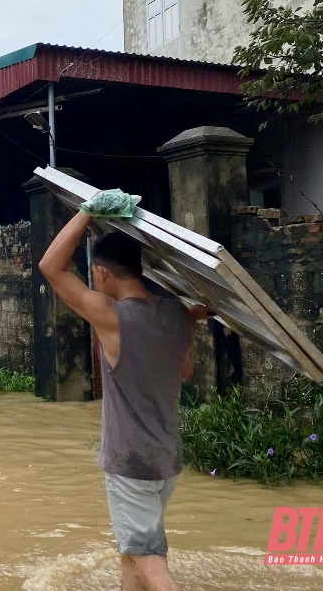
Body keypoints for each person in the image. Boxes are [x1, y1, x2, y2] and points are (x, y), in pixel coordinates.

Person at [39, 211, 194, 591]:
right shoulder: (178, 313)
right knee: (135, 555)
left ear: (103, 273)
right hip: (165, 460)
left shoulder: (111, 317)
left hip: (131, 464)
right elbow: (185, 371)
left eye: (94, 273)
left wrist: (86, 212)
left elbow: (50, 266)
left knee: (149, 564)